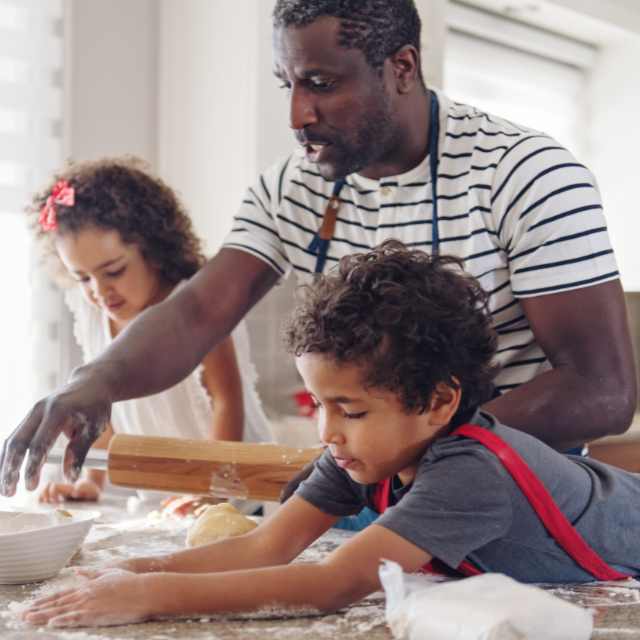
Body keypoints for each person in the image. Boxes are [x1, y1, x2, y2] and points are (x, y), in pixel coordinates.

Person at [0, 0, 636, 498]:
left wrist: (417, 448)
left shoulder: (525, 174)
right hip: (363, 496)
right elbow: (196, 314)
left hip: (512, 494)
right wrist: (96, 381)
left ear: (402, 68)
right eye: (287, 85)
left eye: (321, 83)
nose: (297, 114)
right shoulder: (290, 187)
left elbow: (603, 389)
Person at [20, 241, 640, 629]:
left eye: (351, 410)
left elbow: (331, 584)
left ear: (439, 401)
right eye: (318, 403)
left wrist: (151, 595)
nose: (327, 431)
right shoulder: (356, 458)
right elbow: (266, 547)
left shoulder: (471, 473)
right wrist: (129, 569)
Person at [28, 157, 273, 514]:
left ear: (154, 251)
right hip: (160, 495)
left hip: (233, 492)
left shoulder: (195, 310)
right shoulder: (94, 317)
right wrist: (89, 481)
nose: (99, 291)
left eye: (114, 270)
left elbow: (227, 402)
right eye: (83, 278)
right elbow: (103, 411)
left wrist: (212, 490)